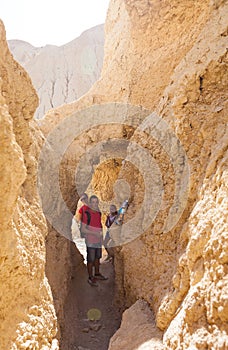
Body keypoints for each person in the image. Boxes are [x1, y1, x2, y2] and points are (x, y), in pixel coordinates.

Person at [81, 195, 108, 286]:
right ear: (90, 203)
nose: (94, 204)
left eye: (96, 202)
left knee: (97, 258)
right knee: (90, 259)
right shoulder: (86, 214)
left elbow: (99, 224)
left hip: (98, 240)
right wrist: (94, 234)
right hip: (90, 240)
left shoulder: (98, 213)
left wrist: (101, 235)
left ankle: (97, 273)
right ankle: (90, 277)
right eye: (93, 202)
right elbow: (83, 229)